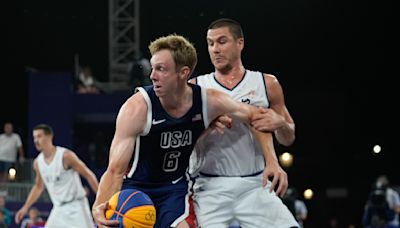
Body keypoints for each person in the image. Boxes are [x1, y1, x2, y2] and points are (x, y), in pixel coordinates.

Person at [91, 34, 271, 228]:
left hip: (174, 188)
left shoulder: (208, 101)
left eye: (161, 69)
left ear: (183, 72)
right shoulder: (137, 108)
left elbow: (256, 115)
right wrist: (99, 209)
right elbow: (115, 170)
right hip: (136, 189)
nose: (152, 75)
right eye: (152, 68)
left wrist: (277, 144)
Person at [188, 18, 298, 227]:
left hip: (256, 184)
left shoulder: (267, 83)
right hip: (210, 186)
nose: (215, 49)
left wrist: (280, 124)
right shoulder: (196, 87)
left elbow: (288, 138)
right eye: (210, 43)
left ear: (240, 43)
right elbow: (183, 141)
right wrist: (206, 128)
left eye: (222, 42)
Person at [14, 124, 99, 228]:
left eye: (39, 136)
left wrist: (100, 199)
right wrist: (25, 208)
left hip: (77, 206)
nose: (36, 140)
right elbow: (38, 187)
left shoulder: (65, 156)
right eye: (34, 137)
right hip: (58, 209)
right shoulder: (37, 163)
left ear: (49, 136)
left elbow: (89, 175)